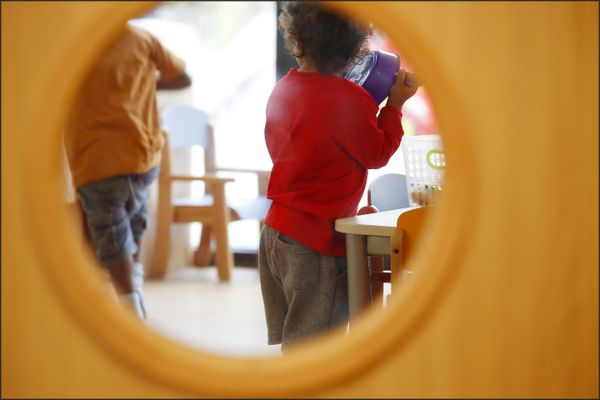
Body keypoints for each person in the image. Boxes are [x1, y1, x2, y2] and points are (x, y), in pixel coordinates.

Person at [258, 1, 420, 350]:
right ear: (354, 48)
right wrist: (393, 106)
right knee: (319, 347)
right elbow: (377, 153)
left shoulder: (283, 89)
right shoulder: (348, 98)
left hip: (276, 233)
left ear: (296, 39)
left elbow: (308, 156)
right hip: (314, 241)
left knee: (297, 338)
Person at [63, 24, 192, 319]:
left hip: (97, 158)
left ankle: (132, 312)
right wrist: (145, 83)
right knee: (132, 222)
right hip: (142, 154)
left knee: (112, 233)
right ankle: (135, 294)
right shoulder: (140, 38)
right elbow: (183, 77)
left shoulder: (74, 41)